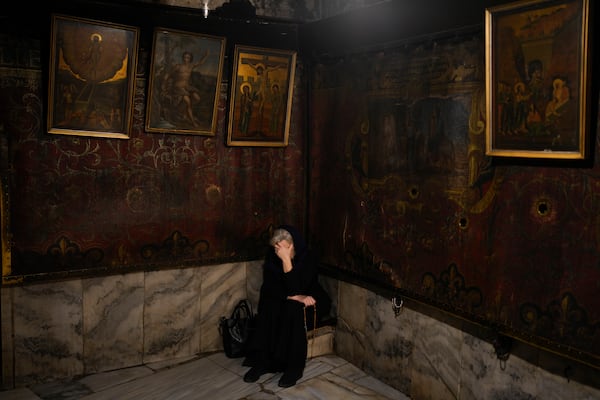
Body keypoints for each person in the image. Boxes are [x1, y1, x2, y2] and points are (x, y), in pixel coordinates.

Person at [242, 225, 331, 388]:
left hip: (311, 299)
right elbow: (269, 287)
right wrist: (290, 296)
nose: (279, 253)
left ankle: (294, 368)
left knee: (293, 308)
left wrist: (287, 261)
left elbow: (298, 287)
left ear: (294, 244)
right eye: (277, 249)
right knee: (270, 304)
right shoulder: (272, 256)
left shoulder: (307, 257)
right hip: (290, 296)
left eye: (285, 248)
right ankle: (264, 361)